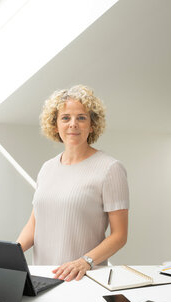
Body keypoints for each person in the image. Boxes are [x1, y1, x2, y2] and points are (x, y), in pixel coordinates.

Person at [17, 85, 129, 282]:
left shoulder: (110, 168)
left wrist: (85, 261)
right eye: (66, 117)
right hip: (42, 277)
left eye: (81, 117)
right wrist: (12, 253)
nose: (73, 124)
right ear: (55, 125)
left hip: (82, 278)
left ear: (92, 125)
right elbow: (35, 222)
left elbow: (119, 235)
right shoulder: (47, 168)